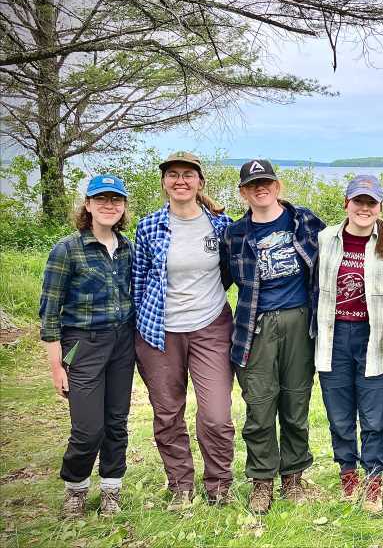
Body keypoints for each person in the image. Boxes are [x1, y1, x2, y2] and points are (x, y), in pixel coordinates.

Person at [132, 151, 235, 509]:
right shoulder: (148, 227)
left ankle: (219, 485)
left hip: (211, 327)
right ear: (164, 182)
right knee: (167, 412)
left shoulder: (221, 226)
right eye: (172, 174)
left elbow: (230, 271)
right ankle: (180, 485)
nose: (180, 180)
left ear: (200, 182)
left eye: (188, 175)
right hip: (160, 332)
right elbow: (138, 281)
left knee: (217, 414)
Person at [223, 159, 325, 514]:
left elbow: (340, 253)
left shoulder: (306, 221)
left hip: (300, 322)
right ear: (243, 192)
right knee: (260, 407)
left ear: (277, 186)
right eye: (252, 184)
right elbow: (220, 279)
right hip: (255, 326)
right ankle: (261, 481)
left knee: (296, 404)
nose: (260, 188)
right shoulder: (234, 234)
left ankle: (293, 477)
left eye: (265, 182)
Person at [39, 174, 135, 518]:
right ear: (88, 205)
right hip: (83, 345)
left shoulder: (127, 248)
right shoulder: (68, 249)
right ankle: (75, 489)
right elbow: (49, 313)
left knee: (116, 422)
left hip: (123, 344)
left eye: (116, 200)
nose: (109, 206)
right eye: (101, 200)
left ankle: (111, 489)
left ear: (123, 207)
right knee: (87, 428)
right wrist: (56, 367)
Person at [315, 175, 383, 513]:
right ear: (346, 203)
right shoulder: (325, 239)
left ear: (379, 207)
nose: (364, 208)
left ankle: (374, 479)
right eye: (358, 201)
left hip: (373, 338)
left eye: (371, 202)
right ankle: (348, 475)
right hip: (333, 337)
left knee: (375, 416)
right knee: (340, 416)